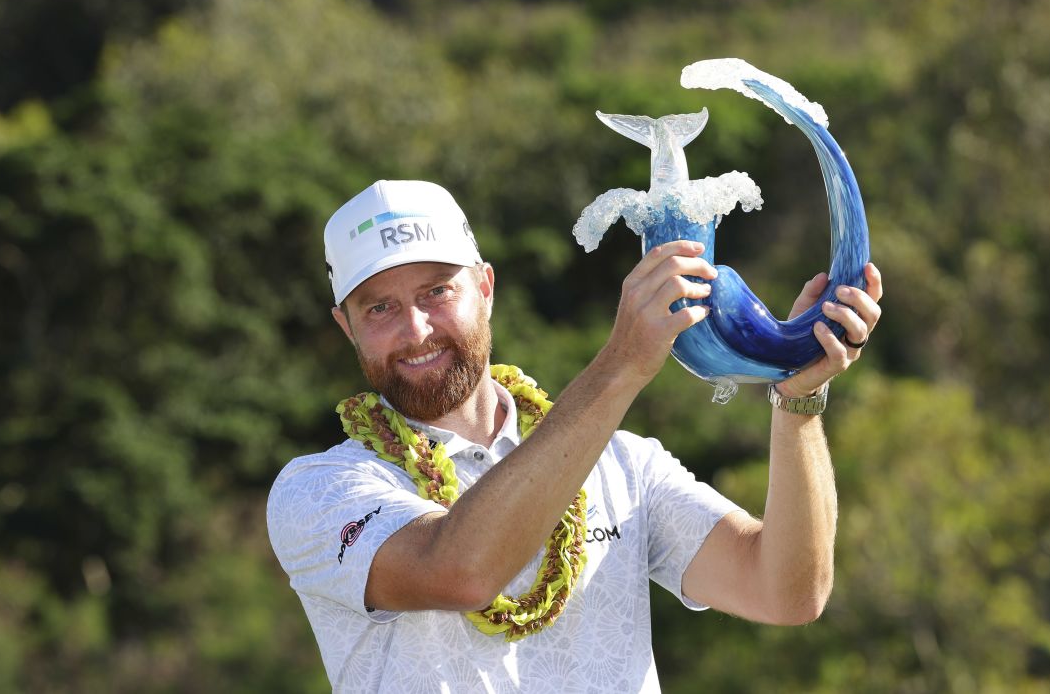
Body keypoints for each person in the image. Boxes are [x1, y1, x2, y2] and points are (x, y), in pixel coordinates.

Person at [267, 179, 883, 693]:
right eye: (379, 308)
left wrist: (797, 399)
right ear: (345, 328)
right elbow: (460, 571)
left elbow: (787, 593)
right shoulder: (318, 491)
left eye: (436, 290)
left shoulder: (624, 463)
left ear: (484, 288)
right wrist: (623, 362)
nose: (416, 328)